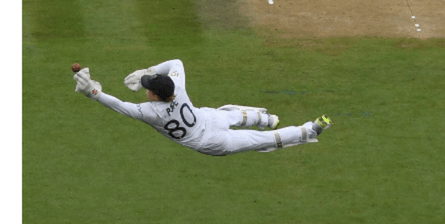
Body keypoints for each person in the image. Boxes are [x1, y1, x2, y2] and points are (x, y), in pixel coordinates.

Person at [73, 59, 332, 156]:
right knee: (250, 129)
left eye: (147, 87)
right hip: (206, 128)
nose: (145, 89)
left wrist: (94, 92)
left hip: (207, 135)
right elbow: (177, 62)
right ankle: (309, 130)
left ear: (154, 96)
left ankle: (271, 120)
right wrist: (151, 70)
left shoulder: (149, 113)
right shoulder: (177, 87)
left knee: (243, 123)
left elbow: (119, 105)